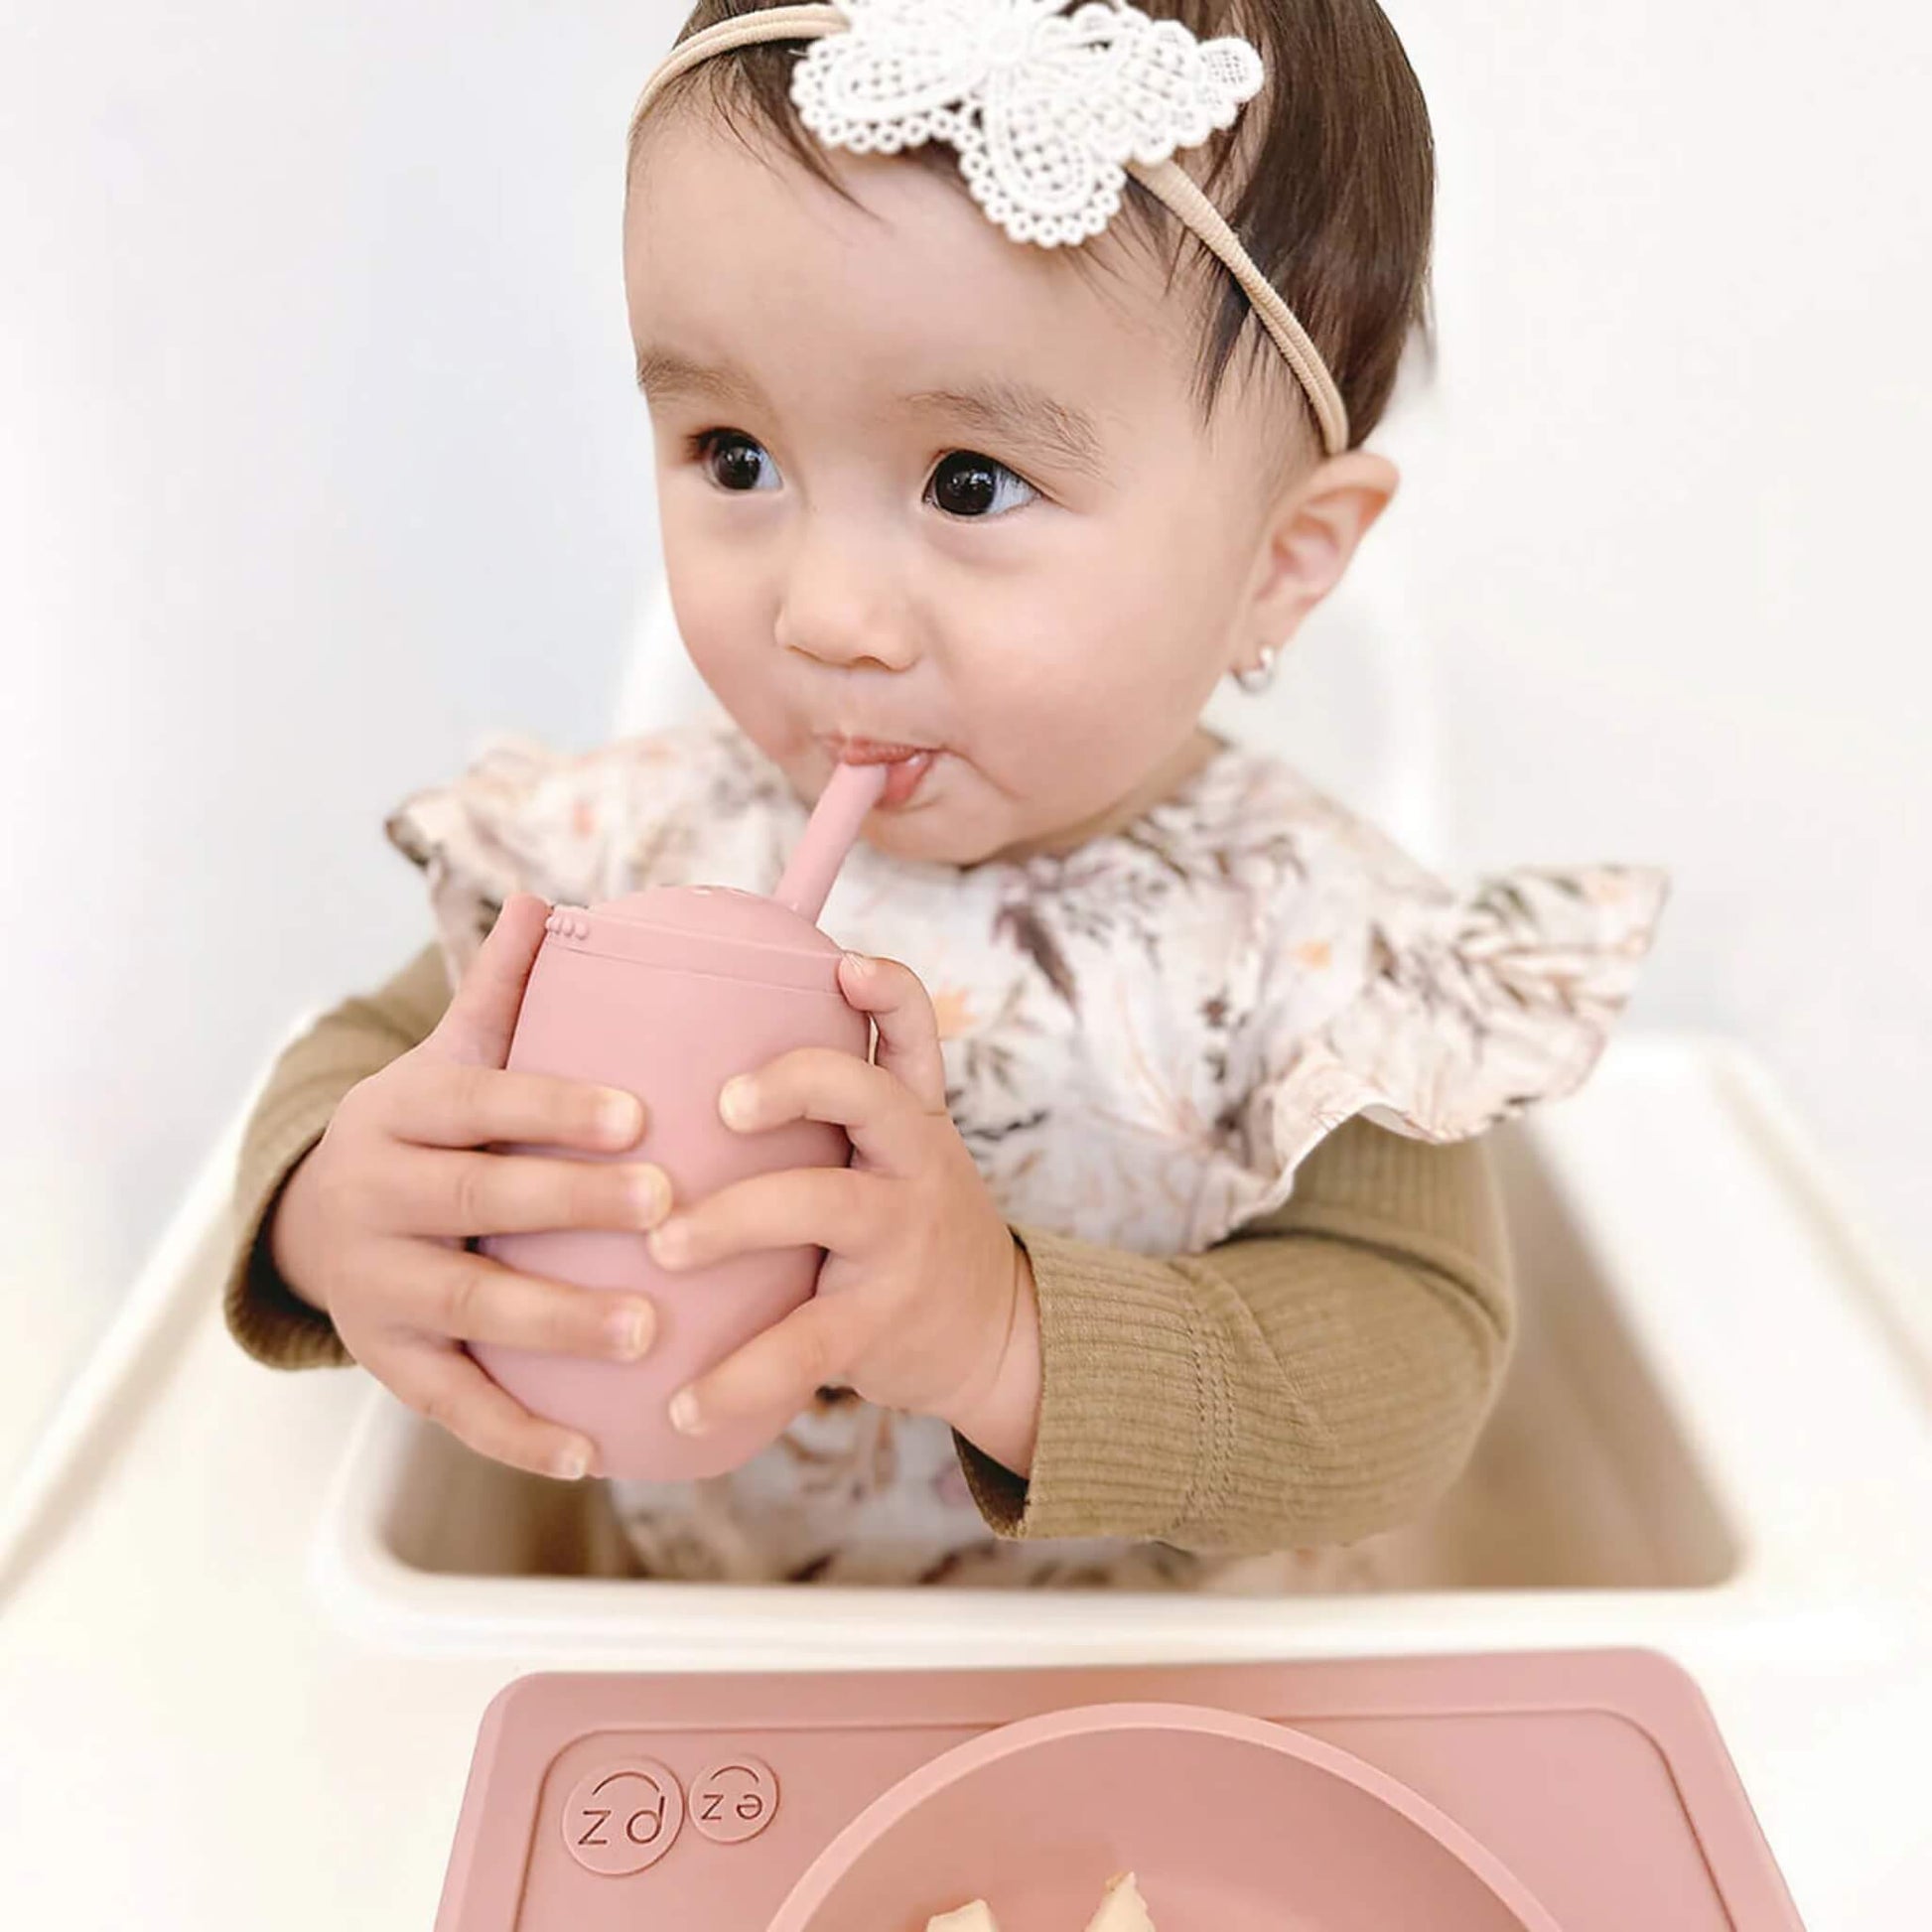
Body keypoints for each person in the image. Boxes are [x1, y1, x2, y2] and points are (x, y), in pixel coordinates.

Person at [222, 0, 1667, 1589]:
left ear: (1280, 560)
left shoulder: (1322, 960)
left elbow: (1412, 1372)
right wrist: (328, 1200)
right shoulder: (627, 857)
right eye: (733, 454)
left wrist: (1002, 1332)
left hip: (1166, 1717)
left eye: (968, 483)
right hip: (703, 1681)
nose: (824, 612)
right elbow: (369, 1056)